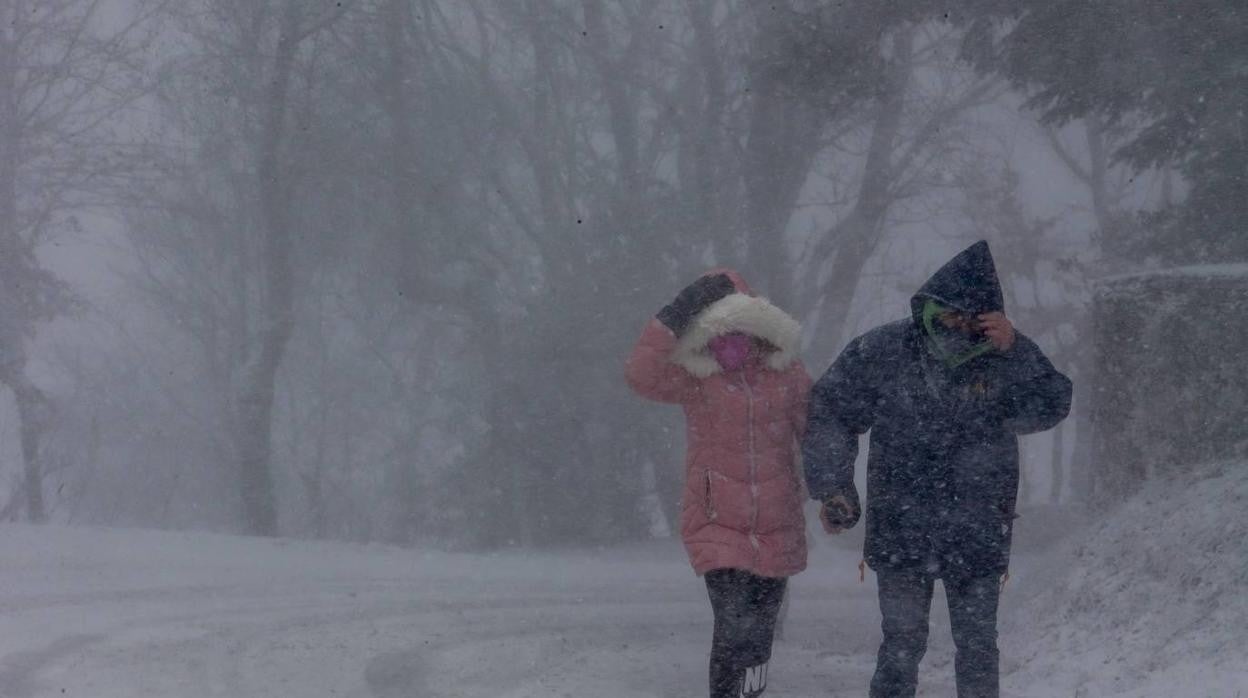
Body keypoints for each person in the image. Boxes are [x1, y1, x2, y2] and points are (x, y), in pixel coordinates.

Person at [801, 241, 1072, 698]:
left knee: (978, 646)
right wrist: (834, 487)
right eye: (952, 314)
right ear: (931, 306)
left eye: (973, 318)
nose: (960, 326)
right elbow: (830, 410)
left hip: (979, 528)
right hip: (903, 528)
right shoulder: (884, 350)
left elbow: (1049, 406)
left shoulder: (1001, 357)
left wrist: (1018, 349)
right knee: (902, 643)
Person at [626, 269, 811, 698]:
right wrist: (674, 315)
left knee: (759, 637)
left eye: (737, 333)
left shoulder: (788, 374)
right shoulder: (697, 379)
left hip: (777, 524)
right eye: (717, 333)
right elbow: (641, 374)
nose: (727, 345)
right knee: (733, 627)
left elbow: (817, 432)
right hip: (715, 521)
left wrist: (832, 491)